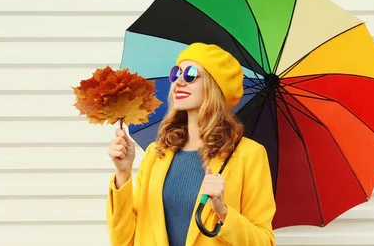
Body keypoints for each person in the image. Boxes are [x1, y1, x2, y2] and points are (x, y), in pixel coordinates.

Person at [106, 42, 276, 246]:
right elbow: (124, 240)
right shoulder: (156, 153)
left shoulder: (249, 155)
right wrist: (123, 174)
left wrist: (222, 211)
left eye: (191, 74)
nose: (178, 81)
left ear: (215, 86)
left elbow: (264, 242)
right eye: (176, 73)